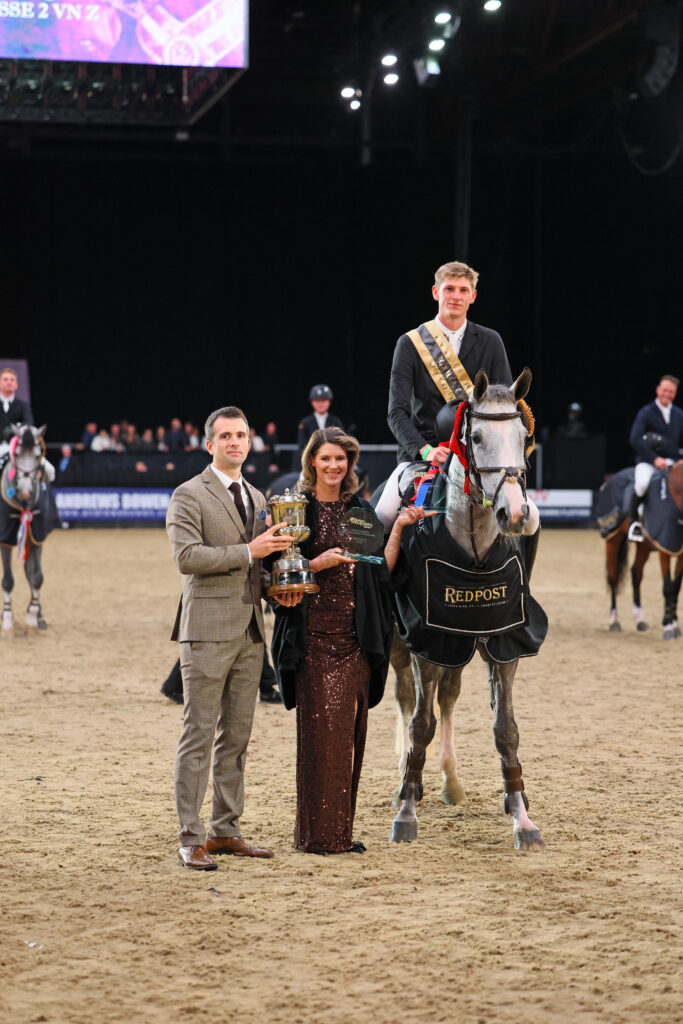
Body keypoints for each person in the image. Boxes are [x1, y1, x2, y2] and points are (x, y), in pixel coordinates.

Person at [166, 404, 300, 871]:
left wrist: (277, 589)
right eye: (225, 436)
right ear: (210, 444)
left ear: (249, 441)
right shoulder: (188, 494)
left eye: (241, 435)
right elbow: (187, 558)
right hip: (205, 632)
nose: (234, 442)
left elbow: (257, 568)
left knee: (237, 738)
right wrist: (249, 550)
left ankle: (225, 830)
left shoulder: (258, 495)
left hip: (249, 633)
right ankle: (190, 837)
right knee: (198, 736)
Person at [271, 427, 393, 855]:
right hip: (313, 638)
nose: (334, 465)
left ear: (350, 463)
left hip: (356, 638)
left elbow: (380, 567)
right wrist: (317, 564)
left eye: (341, 459)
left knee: (349, 737)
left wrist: (399, 528)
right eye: (326, 458)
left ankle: (339, 833)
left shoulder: (360, 510)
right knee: (321, 736)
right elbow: (279, 573)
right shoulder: (295, 510)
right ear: (312, 461)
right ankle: (317, 836)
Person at [378, 260, 512, 527]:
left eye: (463, 290)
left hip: (478, 458)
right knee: (382, 518)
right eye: (449, 288)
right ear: (435, 292)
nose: (456, 296)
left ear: (473, 296)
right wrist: (425, 450)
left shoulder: (491, 341)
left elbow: (505, 406)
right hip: (423, 456)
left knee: (527, 518)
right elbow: (396, 413)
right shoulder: (410, 344)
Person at [628, 375, 683, 541]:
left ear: (675, 393)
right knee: (642, 484)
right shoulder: (646, 412)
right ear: (658, 389)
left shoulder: (679, 414)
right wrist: (654, 459)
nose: (667, 394)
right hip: (648, 462)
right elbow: (635, 438)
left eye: (671, 391)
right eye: (665, 390)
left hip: (673, 462)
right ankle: (634, 524)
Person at [296, 385, 343, 457]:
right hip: (311, 459)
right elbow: (302, 446)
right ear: (312, 402)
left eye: (324, 400)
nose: (321, 404)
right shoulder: (305, 422)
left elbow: (341, 443)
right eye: (317, 400)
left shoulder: (336, 421)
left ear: (329, 401)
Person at [0, 367, 34, 460]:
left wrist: (14, 430)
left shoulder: (23, 405)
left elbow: (29, 422)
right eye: (5, 379)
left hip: (18, 449)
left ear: (16, 385)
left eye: (12, 380)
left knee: (47, 466)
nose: (9, 382)